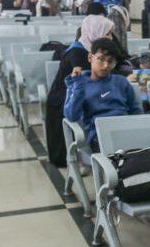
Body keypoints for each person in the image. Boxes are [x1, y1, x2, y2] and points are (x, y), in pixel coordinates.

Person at [44, 15, 114, 166]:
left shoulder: (90, 48)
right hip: (64, 101)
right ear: (96, 32)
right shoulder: (78, 53)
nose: (111, 37)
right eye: (108, 33)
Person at [64, 37, 142, 150]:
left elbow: (135, 111)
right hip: (99, 135)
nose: (106, 65)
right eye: (101, 59)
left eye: (110, 61)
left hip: (125, 130)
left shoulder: (120, 81)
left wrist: (138, 130)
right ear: (90, 57)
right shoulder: (78, 84)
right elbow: (71, 115)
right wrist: (78, 86)